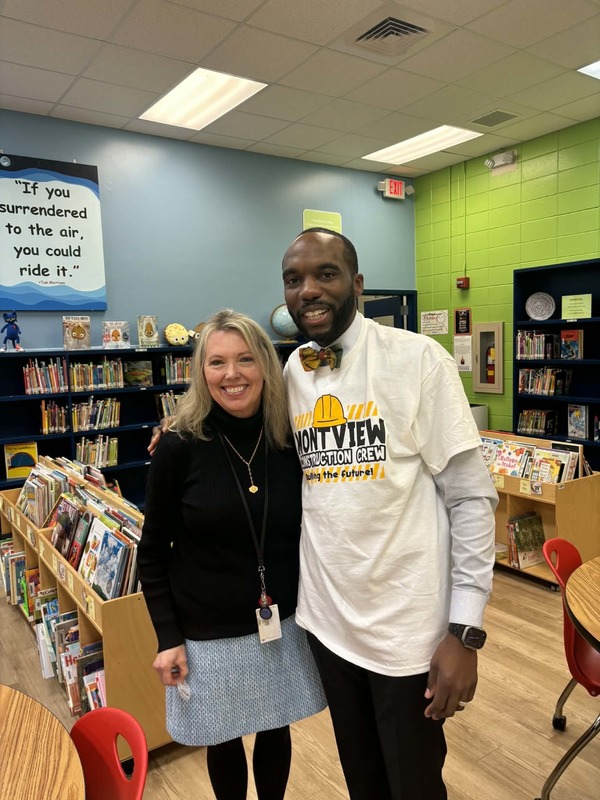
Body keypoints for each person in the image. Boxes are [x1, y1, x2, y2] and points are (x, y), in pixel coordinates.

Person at [281, 228, 498, 800]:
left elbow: (472, 499)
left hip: (409, 633)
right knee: (363, 779)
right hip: (328, 625)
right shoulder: (293, 372)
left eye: (325, 273)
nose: (308, 290)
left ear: (356, 283)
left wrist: (465, 632)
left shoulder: (419, 360)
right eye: (294, 279)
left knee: (414, 784)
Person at [138, 309, 326, 800]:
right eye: (216, 362)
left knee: (275, 726)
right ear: (201, 372)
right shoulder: (178, 446)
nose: (232, 374)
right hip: (206, 630)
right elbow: (153, 553)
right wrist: (167, 638)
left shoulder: (291, 438)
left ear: (266, 364)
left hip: (282, 619)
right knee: (222, 737)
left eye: (245, 359)